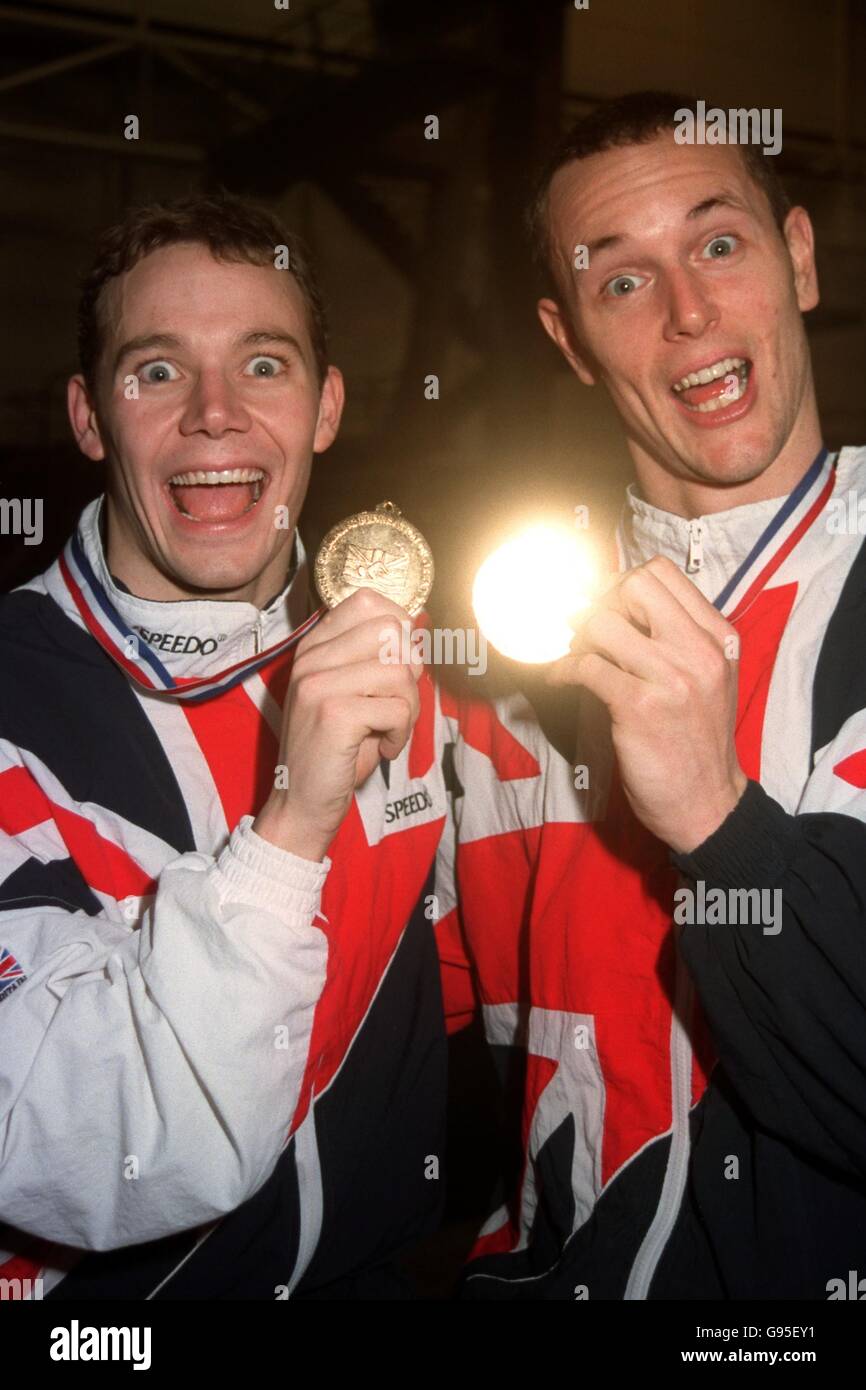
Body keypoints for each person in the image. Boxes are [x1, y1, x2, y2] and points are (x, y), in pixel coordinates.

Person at [0, 192, 544, 1299]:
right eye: (157, 370)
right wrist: (294, 819)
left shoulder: (416, 674)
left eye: (263, 365)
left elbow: (504, 973)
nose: (213, 414)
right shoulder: (16, 698)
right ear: (90, 416)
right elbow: (83, 1142)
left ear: (326, 406)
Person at [455, 90, 866, 1299]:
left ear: (797, 258)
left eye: (717, 244)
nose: (688, 312)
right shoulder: (500, 666)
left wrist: (714, 820)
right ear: (569, 338)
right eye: (621, 281)